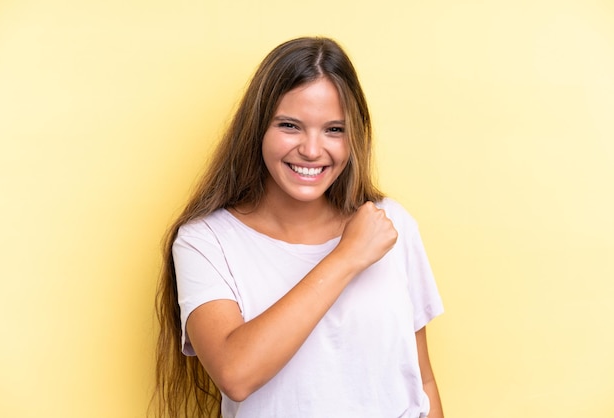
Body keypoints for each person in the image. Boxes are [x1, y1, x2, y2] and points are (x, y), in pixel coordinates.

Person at [152, 36, 444, 418]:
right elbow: (236, 373)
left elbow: (421, 381)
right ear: (258, 129)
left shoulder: (390, 224)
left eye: (334, 130)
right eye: (290, 125)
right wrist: (347, 257)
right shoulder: (205, 242)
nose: (311, 149)